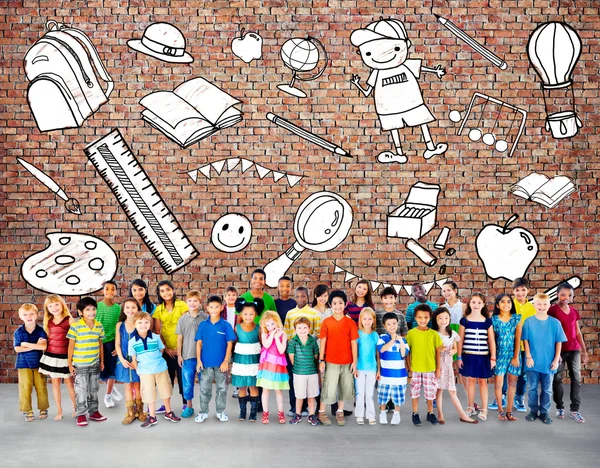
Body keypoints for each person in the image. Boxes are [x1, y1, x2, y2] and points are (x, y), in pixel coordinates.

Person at [349, 17, 447, 163]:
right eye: (368, 53)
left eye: (395, 48)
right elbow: (367, 92)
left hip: (412, 103)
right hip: (388, 108)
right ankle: (399, 153)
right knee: (394, 129)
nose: (381, 57)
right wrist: (357, 84)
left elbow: (422, 68)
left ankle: (430, 147)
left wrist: (436, 72)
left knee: (421, 122)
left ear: (406, 44)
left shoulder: (406, 65)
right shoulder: (377, 73)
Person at [129, 311, 180, 428]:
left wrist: (155, 360)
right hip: (145, 372)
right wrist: (138, 370)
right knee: (149, 393)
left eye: (146, 322)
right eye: (140, 322)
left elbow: (161, 350)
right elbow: (134, 358)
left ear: (150, 323)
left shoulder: (156, 337)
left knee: (165, 390)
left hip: (160, 368)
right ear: (134, 325)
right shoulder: (132, 342)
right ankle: (152, 416)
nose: (143, 325)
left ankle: (168, 412)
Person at [523, 293, 567, 425]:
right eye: (539, 304)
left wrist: (555, 360)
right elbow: (525, 340)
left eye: (544, 304)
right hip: (533, 362)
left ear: (549, 305)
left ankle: (544, 412)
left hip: (548, 362)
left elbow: (559, 341)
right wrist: (528, 356)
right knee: (532, 387)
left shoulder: (555, 323)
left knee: (547, 389)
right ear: (534, 305)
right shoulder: (529, 321)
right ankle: (533, 410)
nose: (542, 307)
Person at [317, 290, 359, 427]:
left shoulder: (350, 323)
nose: (338, 306)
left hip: (347, 362)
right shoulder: (327, 322)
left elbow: (353, 342)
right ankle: (322, 412)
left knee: (345, 387)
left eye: (340, 303)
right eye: (334, 303)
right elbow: (323, 341)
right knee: (328, 387)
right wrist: (321, 360)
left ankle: (339, 411)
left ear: (345, 304)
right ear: (330, 305)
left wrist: (355, 361)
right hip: (331, 361)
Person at [549, 282, 588, 423]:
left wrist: (584, 350)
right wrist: (554, 352)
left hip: (574, 349)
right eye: (563, 294)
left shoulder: (574, 311)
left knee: (576, 379)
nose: (566, 297)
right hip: (558, 350)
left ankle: (574, 410)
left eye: (569, 295)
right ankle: (560, 407)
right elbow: (550, 332)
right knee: (557, 379)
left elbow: (577, 332)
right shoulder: (552, 311)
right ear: (557, 295)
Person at [431, 307, 477, 425]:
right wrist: (441, 350)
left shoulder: (452, 333)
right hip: (438, 365)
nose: (443, 320)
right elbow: (432, 350)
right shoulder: (433, 334)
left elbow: (456, 348)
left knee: (452, 390)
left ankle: (462, 415)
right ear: (435, 320)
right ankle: (440, 414)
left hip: (448, 366)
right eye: (440, 318)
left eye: (446, 318)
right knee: (439, 390)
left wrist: (453, 351)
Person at [195, 295, 236, 423]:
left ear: (221, 307)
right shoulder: (203, 325)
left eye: (217, 307)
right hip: (206, 363)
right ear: (207, 308)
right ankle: (203, 412)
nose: (214, 309)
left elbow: (230, 343)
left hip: (221, 364)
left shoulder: (225, 325)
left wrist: (226, 361)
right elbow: (199, 343)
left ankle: (220, 411)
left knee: (222, 388)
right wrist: (198, 360)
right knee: (204, 388)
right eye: (211, 307)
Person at [67, 297, 107, 426]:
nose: (91, 312)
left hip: (95, 362)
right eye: (88, 309)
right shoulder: (76, 326)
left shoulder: (99, 325)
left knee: (93, 389)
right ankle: (81, 414)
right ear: (80, 312)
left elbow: (100, 343)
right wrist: (69, 364)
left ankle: (94, 412)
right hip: (80, 364)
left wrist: (101, 361)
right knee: (81, 390)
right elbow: (71, 346)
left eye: (93, 309)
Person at [283, 287, 322, 416]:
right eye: (298, 296)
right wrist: (294, 344)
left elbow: (318, 331)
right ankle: (294, 407)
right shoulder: (290, 313)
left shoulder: (313, 313)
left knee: (308, 379)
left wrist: (308, 341)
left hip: (309, 351)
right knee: (295, 379)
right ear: (295, 297)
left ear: (308, 297)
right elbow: (287, 331)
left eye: (303, 296)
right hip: (295, 350)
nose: (301, 299)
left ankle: (305, 408)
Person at [458, 293, 496, 422]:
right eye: (473, 302)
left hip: (483, 357)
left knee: (483, 382)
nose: (476, 305)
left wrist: (493, 358)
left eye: (479, 302)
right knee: (470, 381)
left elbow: (491, 341)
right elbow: (460, 340)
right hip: (468, 356)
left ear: (483, 304)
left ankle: (484, 409)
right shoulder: (465, 320)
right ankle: (470, 407)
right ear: (469, 304)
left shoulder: (487, 321)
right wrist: (459, 357)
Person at [38, 294, 76, 420]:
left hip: (65, 357)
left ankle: (76, 409)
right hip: (52, 356)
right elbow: (47, 338)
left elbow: (76, 339)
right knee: (55, 383)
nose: (54, 308)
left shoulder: (69, 320)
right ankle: (59, 411)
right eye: (50, 306)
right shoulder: (47, 322)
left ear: (62, 305)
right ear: (47, 308)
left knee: (70, 383)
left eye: (56, 304)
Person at [153, 280, 189, 412]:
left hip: (182, 350)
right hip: (167, 351)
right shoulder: (158, 310)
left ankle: (186, 403)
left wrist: (179, 350)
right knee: (167, 379)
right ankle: (165, 405)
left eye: (168, 289)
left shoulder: (182, 306)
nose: (166, 293)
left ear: (173, 290)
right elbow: (158, 331)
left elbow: (186, 328)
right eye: (162, 291)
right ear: (159, 294)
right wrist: (167, 349)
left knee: (182, 378)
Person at [406, 304, 443, 426]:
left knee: (430, 393)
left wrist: (438, 368)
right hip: (416, 368)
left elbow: (438, 352)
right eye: (420, 317)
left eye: (426, 317)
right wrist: (409, 367)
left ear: (430, 318)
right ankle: (415, 413)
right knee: (415, 392)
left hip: (429, 368)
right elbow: (408, 352)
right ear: (415, 318)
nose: (423, 320)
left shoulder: (434, 334)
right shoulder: (411, 334)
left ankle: (430, 413)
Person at [503, 277, 536, 412]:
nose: (520, 293)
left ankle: (519, 397)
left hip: (526, 346)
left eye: (523, 290)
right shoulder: (509, 305)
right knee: (506, 371)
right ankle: (503, 395)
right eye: (517, 290)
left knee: (523, 373)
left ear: (528, 290)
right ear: (513, 291)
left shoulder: (532, 307)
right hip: (510, 345)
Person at [14, 303, 49, 422]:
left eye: (31, 314)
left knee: (41, 387)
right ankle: (27, 410)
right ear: (21, 317)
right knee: (25, 387)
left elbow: (44, 347)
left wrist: (26, 344)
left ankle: (43, 408)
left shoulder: (40, 331)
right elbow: (17, 349)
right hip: (23, 364)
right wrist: (35, 346)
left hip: (39, 363)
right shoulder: (18, 332)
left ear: (37, 315)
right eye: (25, 314)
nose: (28, 316)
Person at [176, 290, 207, 418]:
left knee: (204, 383)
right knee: (187, 383)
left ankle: (203, 408)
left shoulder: (205, 318)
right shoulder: (183, 319)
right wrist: (179, 355)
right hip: (187, 356)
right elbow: (179, 338)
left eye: (195, 300)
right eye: (190, 300)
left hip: (203, 358)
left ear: (200, 302)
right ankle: (189, 406)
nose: (192, 303)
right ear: (186, 302)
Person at [115, 298, 146, 425]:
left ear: (138, 309)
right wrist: (121, 359)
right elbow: (117, 344)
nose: (130, 310)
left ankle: (140, 411)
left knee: (138, 385)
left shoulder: (140, 323)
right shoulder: (120, 325)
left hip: (138, 360)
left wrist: (137, 361)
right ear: (123, 309)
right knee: (128, 386)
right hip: (124, 361)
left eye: (133, 307)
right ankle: (130, 413)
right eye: (127, 307)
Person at [231, 297, 263, 422]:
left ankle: (253, 412)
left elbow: (262, 344)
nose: (248, 316)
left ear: (255, 314)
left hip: (254, 361)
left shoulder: (258, 328)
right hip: (240, 361)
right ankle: (242, 412)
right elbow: (233, 343)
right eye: (245, 314)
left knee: (253, 386)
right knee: (242, 386)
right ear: (241, 314)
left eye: (251, 314)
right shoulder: (237, 328)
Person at [492, 294, 522, 421]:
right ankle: (500, 410)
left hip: (513, 354)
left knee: (512, 382)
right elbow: (492, 340)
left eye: (509, 301)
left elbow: (518, 338)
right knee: (498, 383)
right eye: (503, 302)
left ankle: (509, 411)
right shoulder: (494, 319)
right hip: (499, 355)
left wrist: (515, 356)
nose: (506, 304)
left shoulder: (516, 318)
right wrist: (493, 357)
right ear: (498, 305)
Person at [256, 311, 290, 424]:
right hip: (267, 365)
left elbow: (281, 350)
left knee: (278, 390)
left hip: (278, 366)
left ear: (277, 322)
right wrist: (272, 335)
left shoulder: (283, 334)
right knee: (265, 390)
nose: (270, 327)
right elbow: (266, 345)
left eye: (272, 324)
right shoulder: (265, 334)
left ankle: (281, 413)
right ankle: (265, 413)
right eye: (267, 325)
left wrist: (277, 337)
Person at [377, 311, 409, 425]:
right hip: (385, 374)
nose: (392, 326)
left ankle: (396, 414)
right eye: (389, 324)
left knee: (398, 396)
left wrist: (399, 341)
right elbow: (382, 349)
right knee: (383, 396)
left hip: (399, 375)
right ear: (385, 326)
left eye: (394, 323)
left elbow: (403, 354)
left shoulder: (403, 340)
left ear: (398, 324)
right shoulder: (382, 338)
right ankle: (382, 413)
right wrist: (392, 340)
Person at [287, 316, 320, 426]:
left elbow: (316, 355)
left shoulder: (312, 341)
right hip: (299, 373)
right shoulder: (293, 341)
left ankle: (311, 415)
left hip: (312, 373)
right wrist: (298, 367)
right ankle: (297, 414)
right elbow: (292, 357)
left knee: (311, 395)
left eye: (305, 327)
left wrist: (313, 367)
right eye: (299, 328)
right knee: (299, 396)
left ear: (309, 328)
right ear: (295, 329)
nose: (302, 330)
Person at [96, 280, 122, 409]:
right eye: (107, 289)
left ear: (116, 291)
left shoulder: (118, 309)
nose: (110, 291)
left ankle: (108, 395)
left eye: (113, 289)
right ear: (103, 291)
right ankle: (111, 387)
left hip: (112, 344)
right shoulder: (97, 307)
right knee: (101, 372)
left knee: (111, 370)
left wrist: (119, 346)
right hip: (98, 342)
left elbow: (120, 328)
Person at [354, 308, 379, 425]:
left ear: (373, 320)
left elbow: (378, 353)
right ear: (361, 320)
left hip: (372, 368)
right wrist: (354, 367)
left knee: (369, 394)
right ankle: (359, 414)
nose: (367, 321)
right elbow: (355, 352)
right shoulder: (358, 334)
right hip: (360, 367)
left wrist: (379, 369)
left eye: (370, 319)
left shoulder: (375, 335)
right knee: (360, 393)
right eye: (365, 319)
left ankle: (370, 415)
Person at [222, 285, 239, 397]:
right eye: (229, 295)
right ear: (225, 297)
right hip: (224, 340)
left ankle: (236, 388)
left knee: (236, 364)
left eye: (233, 295)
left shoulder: (240, 310)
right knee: (224, 363)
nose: (231, 297)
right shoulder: (222, 309)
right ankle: (223, 386)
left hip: (237, 340)